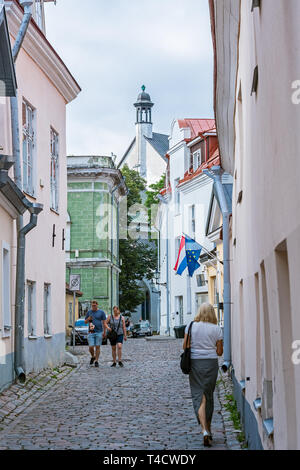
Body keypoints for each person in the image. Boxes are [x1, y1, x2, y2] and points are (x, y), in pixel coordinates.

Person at [183, 303, 223, 448]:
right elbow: (219, 352)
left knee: (199, 396)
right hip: (211, 364)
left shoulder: (191, 326)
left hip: (195, 364)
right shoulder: (217, 329)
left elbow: (185, 346)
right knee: (209, 395)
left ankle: (204, 430)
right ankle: (209, 428)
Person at [85, 300, 110, 368]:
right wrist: (88, 319)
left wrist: (104, 332)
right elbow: (85, 322)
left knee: (98, 346)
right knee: (91, 346)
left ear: (97, 305)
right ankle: (93, 356)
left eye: (94, 305)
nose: (93, 306)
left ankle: (96, 361)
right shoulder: (89, 312)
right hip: (91, 332)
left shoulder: (101, 312)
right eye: (92, 305)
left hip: (99, 331)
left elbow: (104, 322)